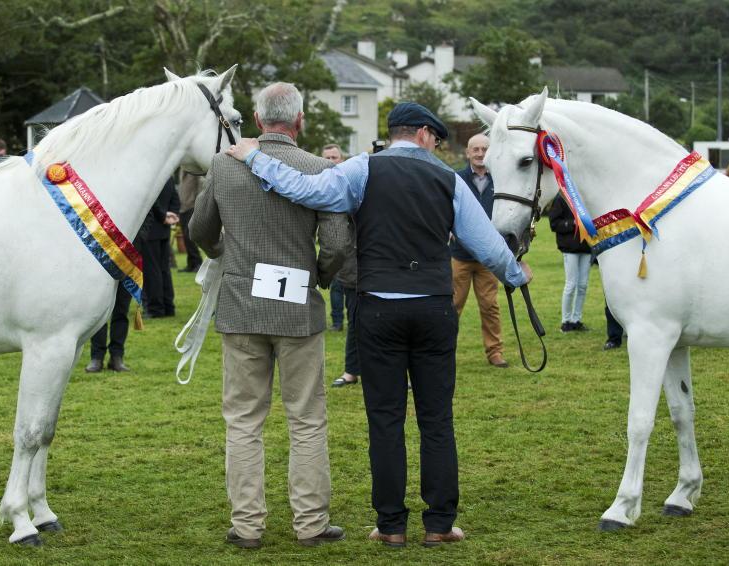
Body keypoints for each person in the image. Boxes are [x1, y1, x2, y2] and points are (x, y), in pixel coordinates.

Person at [225, 102, 531, 548]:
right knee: (436, 419)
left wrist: (253, 156)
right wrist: (517, 277)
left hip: (378, 306)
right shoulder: (449, 179)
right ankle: (440, 522)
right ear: (426, 134)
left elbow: (304, 189)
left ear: (396, 133)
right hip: (431, 305)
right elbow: (486, 243)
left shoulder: (360, 169)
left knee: (384, 419)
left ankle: (390, 525)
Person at [189, 82, 349, 549]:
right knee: (307, 419)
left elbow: (201, 229)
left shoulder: (223, 165)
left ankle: (247, 525)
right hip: (298, 309)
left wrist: (226, 254)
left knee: (243, 420)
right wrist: (319, 273)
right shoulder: (320, 168)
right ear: (300, 121)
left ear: (259, 121)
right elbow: (338, 244)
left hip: (241, 306)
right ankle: (311, 523)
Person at [450, 134, 508, 368]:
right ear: (467, 152)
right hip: (460, 255)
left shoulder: (500, 180)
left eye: (484, 149)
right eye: (476, 149)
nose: (480, 153)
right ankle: (445, 351)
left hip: (487, 257)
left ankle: (495, 352)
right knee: (452, 306)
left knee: (490, 306)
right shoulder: (456, 179)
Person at [548, 194, 591, 332]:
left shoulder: (585, 197)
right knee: (571, 284)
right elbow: (554, 224)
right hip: (569, 248)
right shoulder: (561, 198)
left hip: (586, 247)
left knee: (583, 285)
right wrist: (572, 223)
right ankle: (565, 321)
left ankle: (576, 319)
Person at [140, 179, 180, 318]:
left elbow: (150, 199)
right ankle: (168, 306)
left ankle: (155, 308)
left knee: (152, 271)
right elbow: (175, 197)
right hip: (164, 227)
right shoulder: (168, 176)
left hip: (151, 227)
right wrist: (173, 214)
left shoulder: (151, 175)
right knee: (164, 269)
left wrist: (162, 216)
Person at [330, 223, 361, 387]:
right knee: (355, 322)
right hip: (354, 273)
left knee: (390, 326)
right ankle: (351, 371)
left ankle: (396, 373)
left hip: (385, 271)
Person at [322, 144, 346, 331]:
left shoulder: (349, 179)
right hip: (332, 239)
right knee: (336, 284)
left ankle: (354, 320)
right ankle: (337, 322)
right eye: (327, 158)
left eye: (334, 157)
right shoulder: (317, 180)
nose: (330, 161)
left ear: (341, 159)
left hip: (354, 242)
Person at [85, 283, 133, 372]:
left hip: (126, 271)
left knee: (121, 312)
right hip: (102, 271)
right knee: (99, 314)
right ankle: (97, 357)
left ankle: (116, 357)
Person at [177, 168, 203, 272]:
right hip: (183, 208)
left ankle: (197, 263)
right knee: (185, 237)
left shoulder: (194, 170)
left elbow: (201, 185)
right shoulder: (183, 170)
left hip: (191, 207)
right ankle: (191, 264)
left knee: (189, 236)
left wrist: (197, 204)